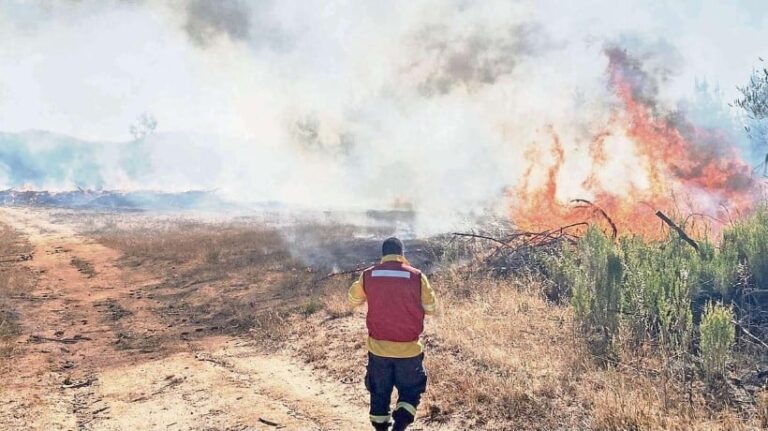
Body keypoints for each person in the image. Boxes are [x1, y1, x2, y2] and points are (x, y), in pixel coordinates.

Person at [348, 237, 438, 431]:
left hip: (378, 351)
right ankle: (400, 426)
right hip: (409, 351)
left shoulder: (368, 275)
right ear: (401, 254)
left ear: (383, 254)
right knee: (411, 391)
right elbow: (431, 307)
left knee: (379, 393)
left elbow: (353, 299)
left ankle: (381, 428)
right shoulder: (416, 276)